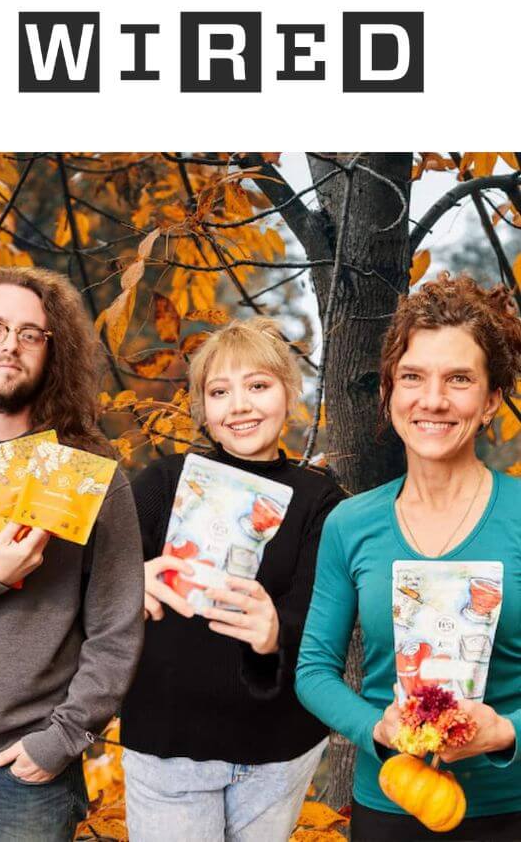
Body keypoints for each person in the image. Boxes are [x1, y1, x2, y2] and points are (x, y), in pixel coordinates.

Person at [0, 266, 144, 842]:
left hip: (30, 768)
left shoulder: (88, 474)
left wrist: (63, 739)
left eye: (30, 333)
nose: (10, 345)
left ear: (52, 352)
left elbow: (117, 629)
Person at [296, 272, 521, 841]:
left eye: (459, 379)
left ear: (492, 398)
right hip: (390, 807)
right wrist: (378, 727)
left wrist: (504, 733)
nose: (433, 400)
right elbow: (313, 672)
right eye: (413, 377)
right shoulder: (350, 524)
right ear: (388, 392)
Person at [119, 316, 345, 841]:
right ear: (203, 409)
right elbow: (89, 572)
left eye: (258, 386)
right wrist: (130, 579)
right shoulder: (166, 481)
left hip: (277, 751)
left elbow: (323, 613)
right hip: (167, 746)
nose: (239, 405)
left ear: (289, 393)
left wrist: (278, 631)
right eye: (219, 392)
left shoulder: (320, 500)